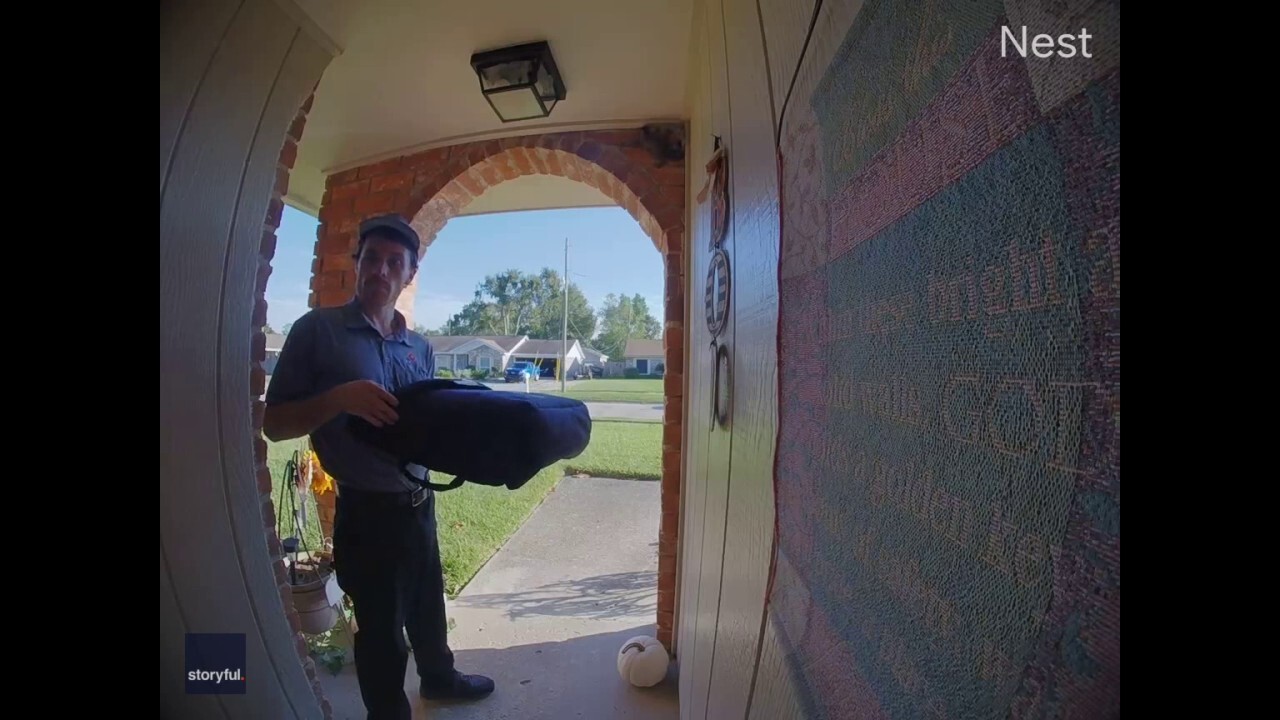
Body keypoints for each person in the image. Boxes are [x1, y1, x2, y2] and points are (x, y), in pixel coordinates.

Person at [263, 213, 494, 719]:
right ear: (356, 264)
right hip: (366, 514)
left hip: (419, 503)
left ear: (409, 275)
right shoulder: (317, 332)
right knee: (382, 631)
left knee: (428, 605)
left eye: (395, 263)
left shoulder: (420, 347)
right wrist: (340, 398)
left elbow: (426, 426)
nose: (381, 271)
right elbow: (275, 424)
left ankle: (440, 679)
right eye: (372, 259)